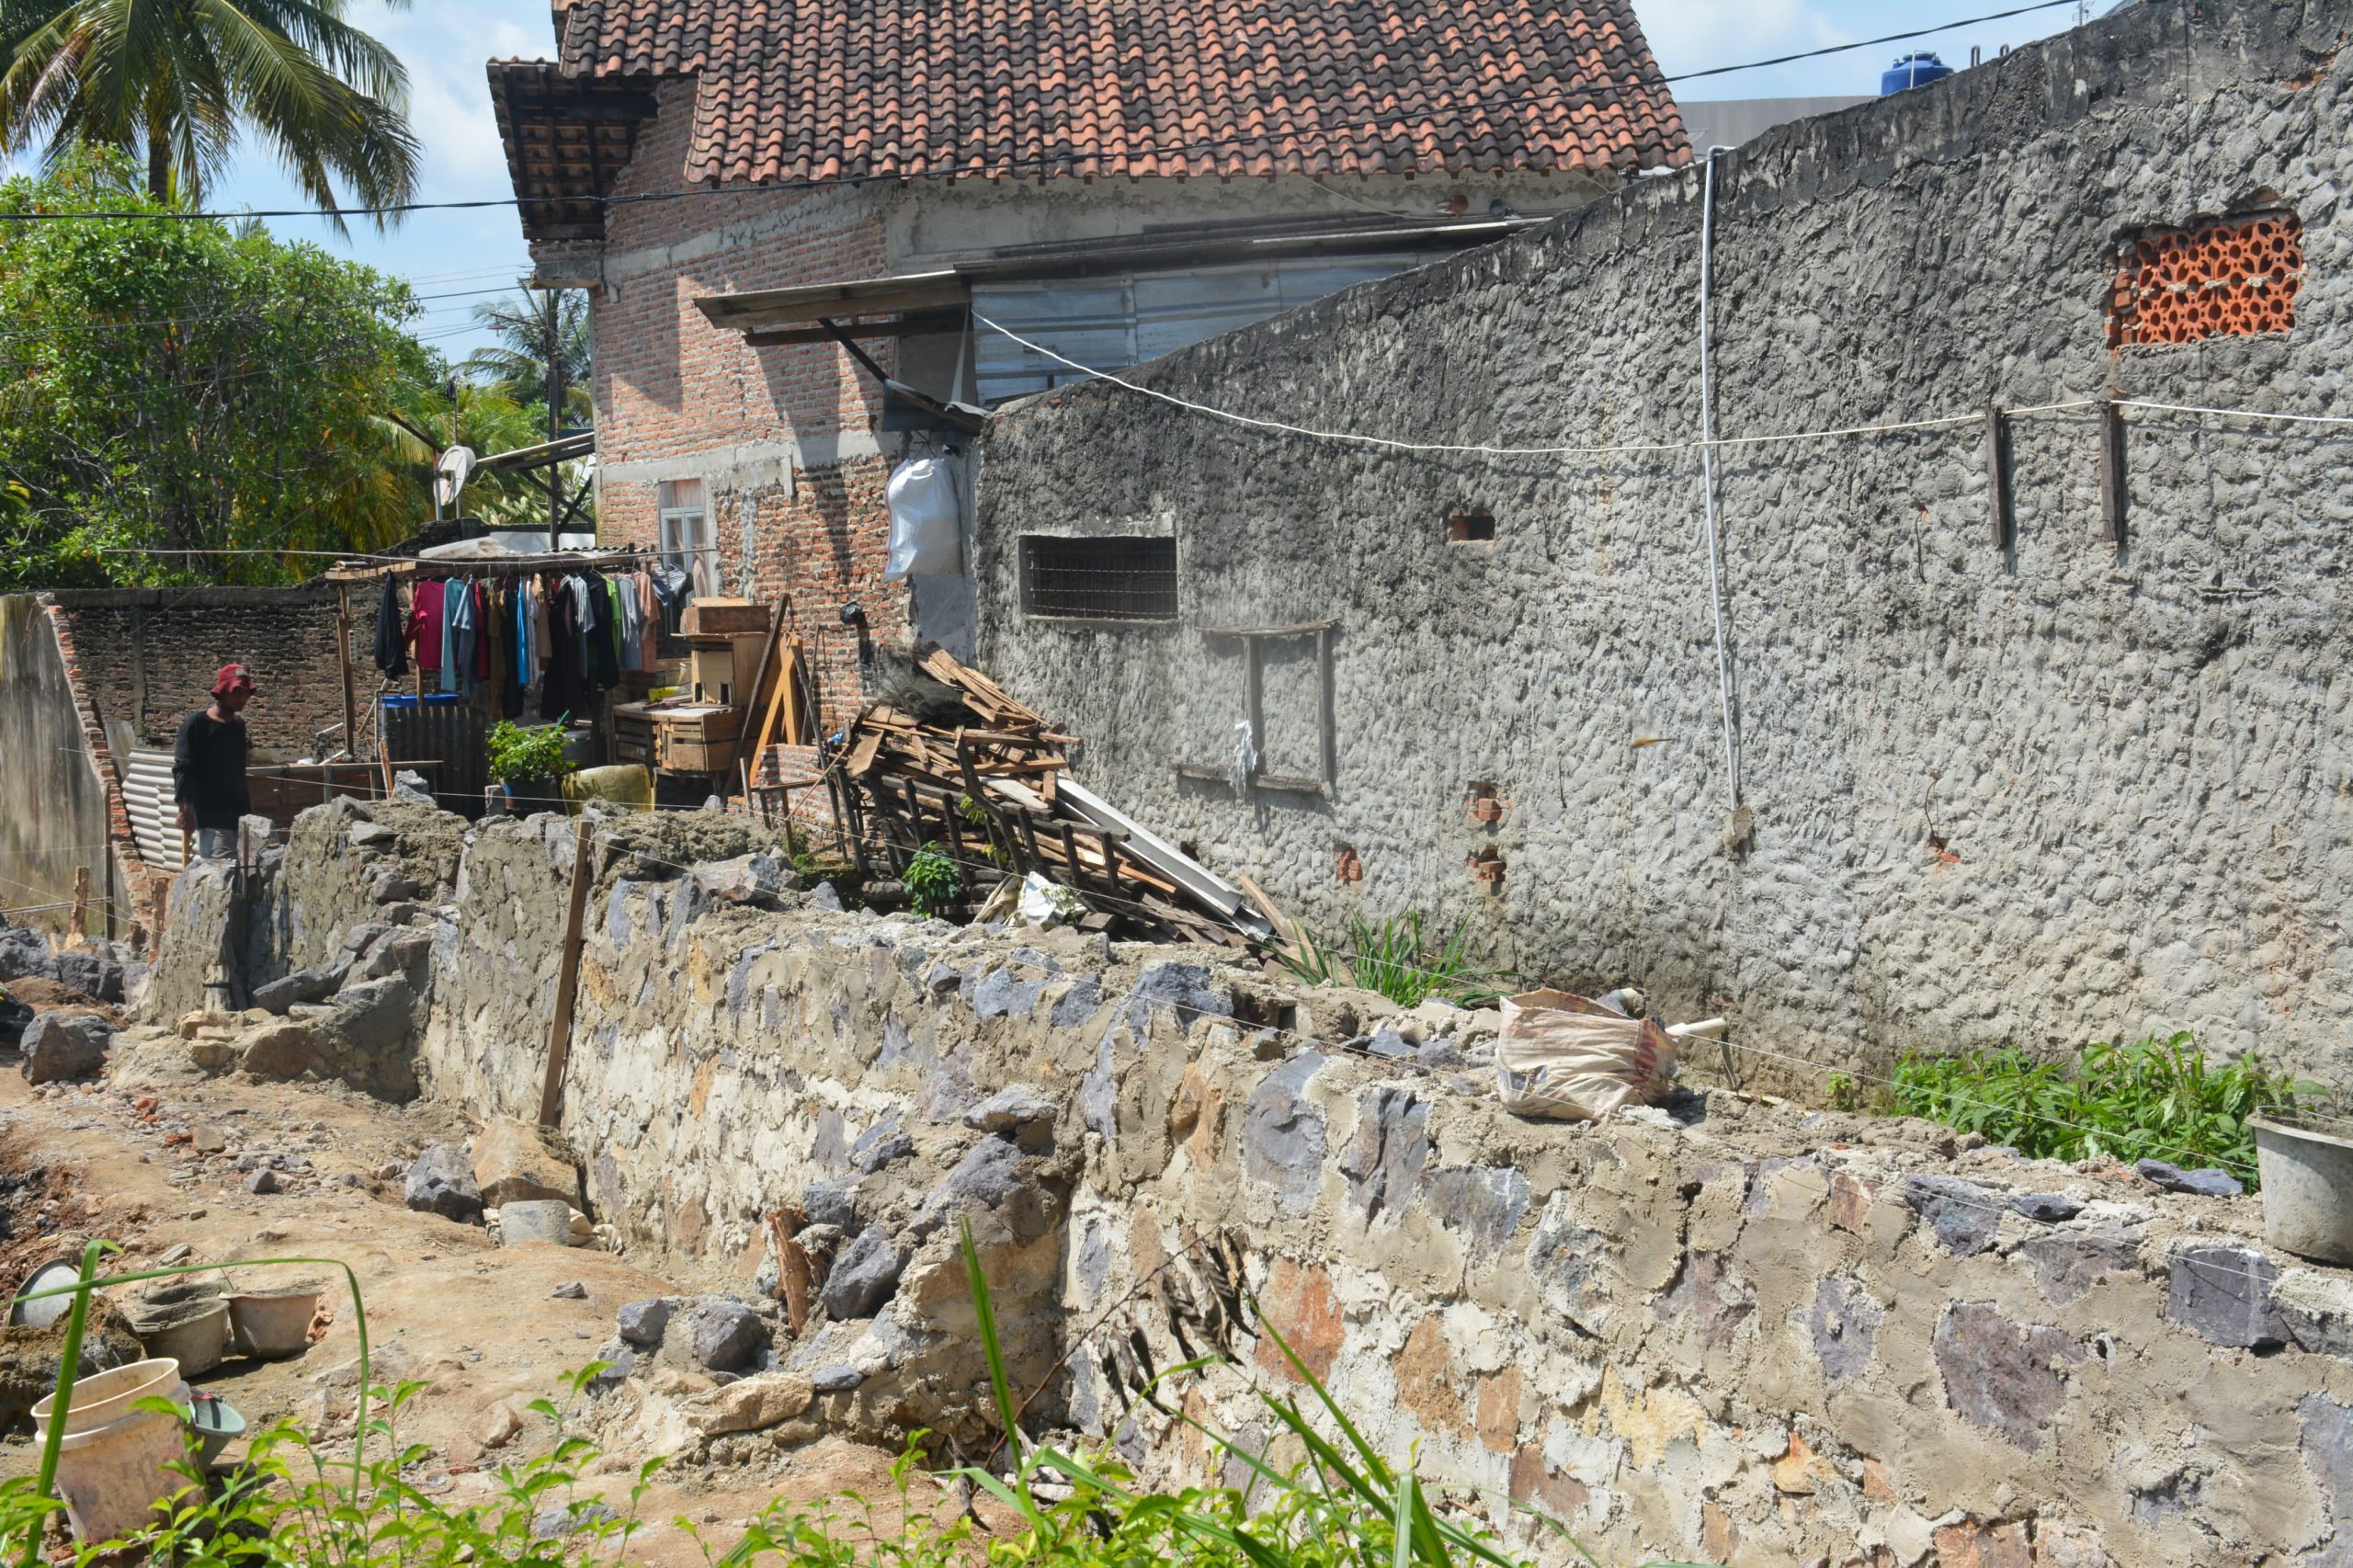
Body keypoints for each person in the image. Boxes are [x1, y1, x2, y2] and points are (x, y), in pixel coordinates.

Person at [174, 665, 256, 859]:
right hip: (211, 816)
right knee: (219, 874)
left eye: (246, 693)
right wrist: (185, 811)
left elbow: (239, 770)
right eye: (237, 692)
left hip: (240, 815)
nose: (242, 698)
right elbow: (183, 767)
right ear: (222, 691)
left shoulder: (238, 726)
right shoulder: (197, 723)